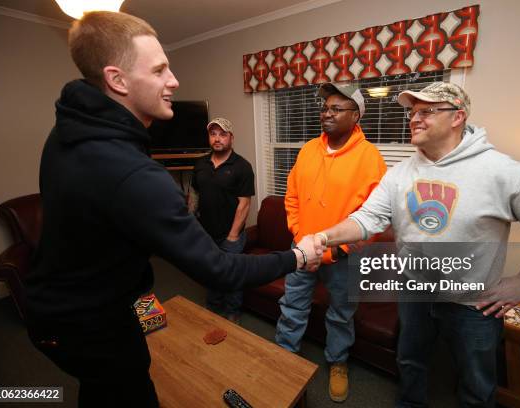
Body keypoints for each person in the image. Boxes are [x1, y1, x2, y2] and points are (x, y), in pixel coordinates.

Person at [24, 11, 320, 408]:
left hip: (57, 308)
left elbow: (109, 238)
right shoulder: (136, 176)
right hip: (85, 323)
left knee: (104, 387)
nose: (174, 81)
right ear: (117, 79)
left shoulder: (66, 131)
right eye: (161, 69)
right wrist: (299, 255)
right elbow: (222, 269)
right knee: (131, 389)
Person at [311, 82, 520, 407]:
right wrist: (323, 237)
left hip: (474, 305)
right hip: (414, 294)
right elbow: (366, 219)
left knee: (476, 384)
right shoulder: (399, 175)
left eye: (426, 111)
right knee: (409, 364)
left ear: (458, 117)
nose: (414, 118)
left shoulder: (501, 171)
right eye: (412, 112)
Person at [275, 83, 387, 402]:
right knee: (292, 306)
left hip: (343, 257)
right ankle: (283, 359)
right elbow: (292, 195)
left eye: (336, 109)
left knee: (340, 314)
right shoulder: (308, 149)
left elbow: (376, 217)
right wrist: (299, 235)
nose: (327, 113)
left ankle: (337, 362)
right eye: (325, 107)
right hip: (302, 251)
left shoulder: (371, 158)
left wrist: (342, 248)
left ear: (356, 116)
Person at [190, 117, 254, 323]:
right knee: (211, 273)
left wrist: (233, 237)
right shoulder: (200, 164)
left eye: (222, 134)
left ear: (231, 138)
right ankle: (213, 307)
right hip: (205, 233)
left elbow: (244, 204)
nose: (217, 139)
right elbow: (194, 194)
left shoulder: (242, 166)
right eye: (213, 134)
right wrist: (191, 224)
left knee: (232, 275)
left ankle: (232, 313)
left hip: (230, 234)